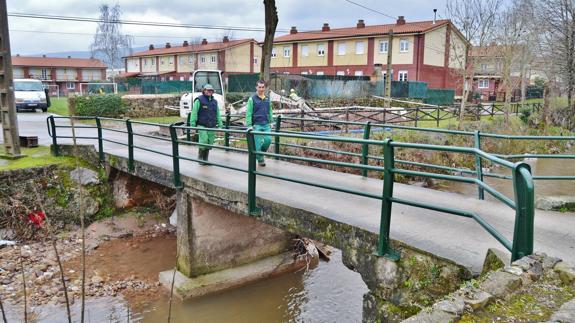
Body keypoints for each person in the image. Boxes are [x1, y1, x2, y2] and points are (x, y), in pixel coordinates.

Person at [188, 83, 222, 165]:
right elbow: (194, 113)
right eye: (208, 90)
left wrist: (220, 125)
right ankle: (200, 158)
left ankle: (205, 159)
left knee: (209, 142)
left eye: (211, 90)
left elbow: (218, 114)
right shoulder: (199, 100)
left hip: (211, 125)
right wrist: (192, 125)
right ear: (204, 91)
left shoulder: (215, 102)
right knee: (204, 140)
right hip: (201, 124)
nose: (209, 91)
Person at [246, 80, 273, 167]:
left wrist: (271, 121)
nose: (261, 89)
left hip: (266, 124)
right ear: (256, 88)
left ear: (265, 88)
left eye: (262, 87)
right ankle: (260, 159)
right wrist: (249, 125)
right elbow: (249, 113)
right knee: (257, 145)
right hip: (256, 125)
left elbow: (270, 111)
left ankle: (259, 154)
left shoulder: (267, 99)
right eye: (259, 87)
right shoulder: (252, 99)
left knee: (268, 140)